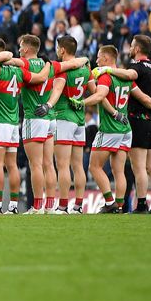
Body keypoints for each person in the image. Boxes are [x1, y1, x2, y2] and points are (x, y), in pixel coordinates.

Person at [76, 45, 151, 213]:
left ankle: (109, 202)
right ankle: (119, 207)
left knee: (94, 167)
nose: (97, 60)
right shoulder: (125, 76)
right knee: (118, 170)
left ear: (106, 58)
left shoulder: (106, 77)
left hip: (109, 129)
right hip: (125, 129)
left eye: (99, 57)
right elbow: (142, 97)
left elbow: (100, 96)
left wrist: (82, 103)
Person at [0, 38, 50, 214]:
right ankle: (13, 206)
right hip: (12, 123)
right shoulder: (19, 71)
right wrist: (48, 63)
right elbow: (40, 77)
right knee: (12, 166)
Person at [34, 35, 95, 214]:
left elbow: (58, 90)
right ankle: (77, 205)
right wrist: (82, 102)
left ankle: (62, 205)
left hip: (63, 117)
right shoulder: (85, 69)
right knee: (78, 165)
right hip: (80, 119)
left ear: (62, 50)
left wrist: (48, 105)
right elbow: (96, 91)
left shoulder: (63, 69)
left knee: (62, 165)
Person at [7, 35, 57, 214]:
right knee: (49, 164)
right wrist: (49, 63)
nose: (19, 49)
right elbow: (71, 64)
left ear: (27, 49)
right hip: (50, 116)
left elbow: (8, 60)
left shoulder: (24, 63)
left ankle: (37, 206)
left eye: (21, 46)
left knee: (35, 165)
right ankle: (50, 207)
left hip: (34, 116)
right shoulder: (49, 65)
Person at [125, 35, 151, 213]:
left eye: (132, 46)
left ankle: (141, 204)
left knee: (139, 167)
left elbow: (132, 79)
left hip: (139, 120)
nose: (130, 49)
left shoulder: (136, 68)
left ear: (138, 49)